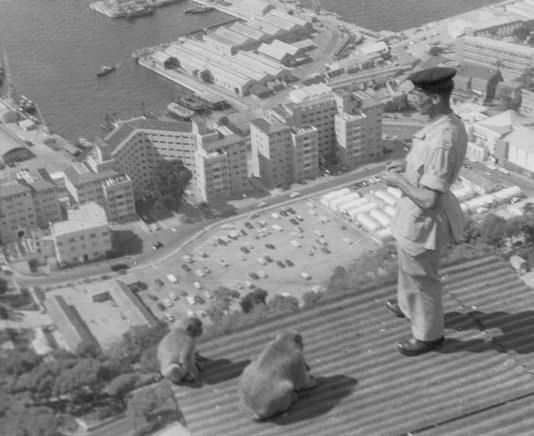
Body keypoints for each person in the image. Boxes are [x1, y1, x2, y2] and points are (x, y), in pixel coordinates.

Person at [381, 67, 467, 356]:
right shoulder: (441, 125)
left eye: (417, 94)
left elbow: (429, 198)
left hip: (424, 222)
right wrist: (404, 168)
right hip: (415, 219)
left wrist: (399, 182)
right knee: (410, 270)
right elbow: (427, 171)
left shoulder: (443, 138)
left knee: (423, 280)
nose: (412, 99)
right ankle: (408, 307)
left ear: (434, 98)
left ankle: (429, 335)